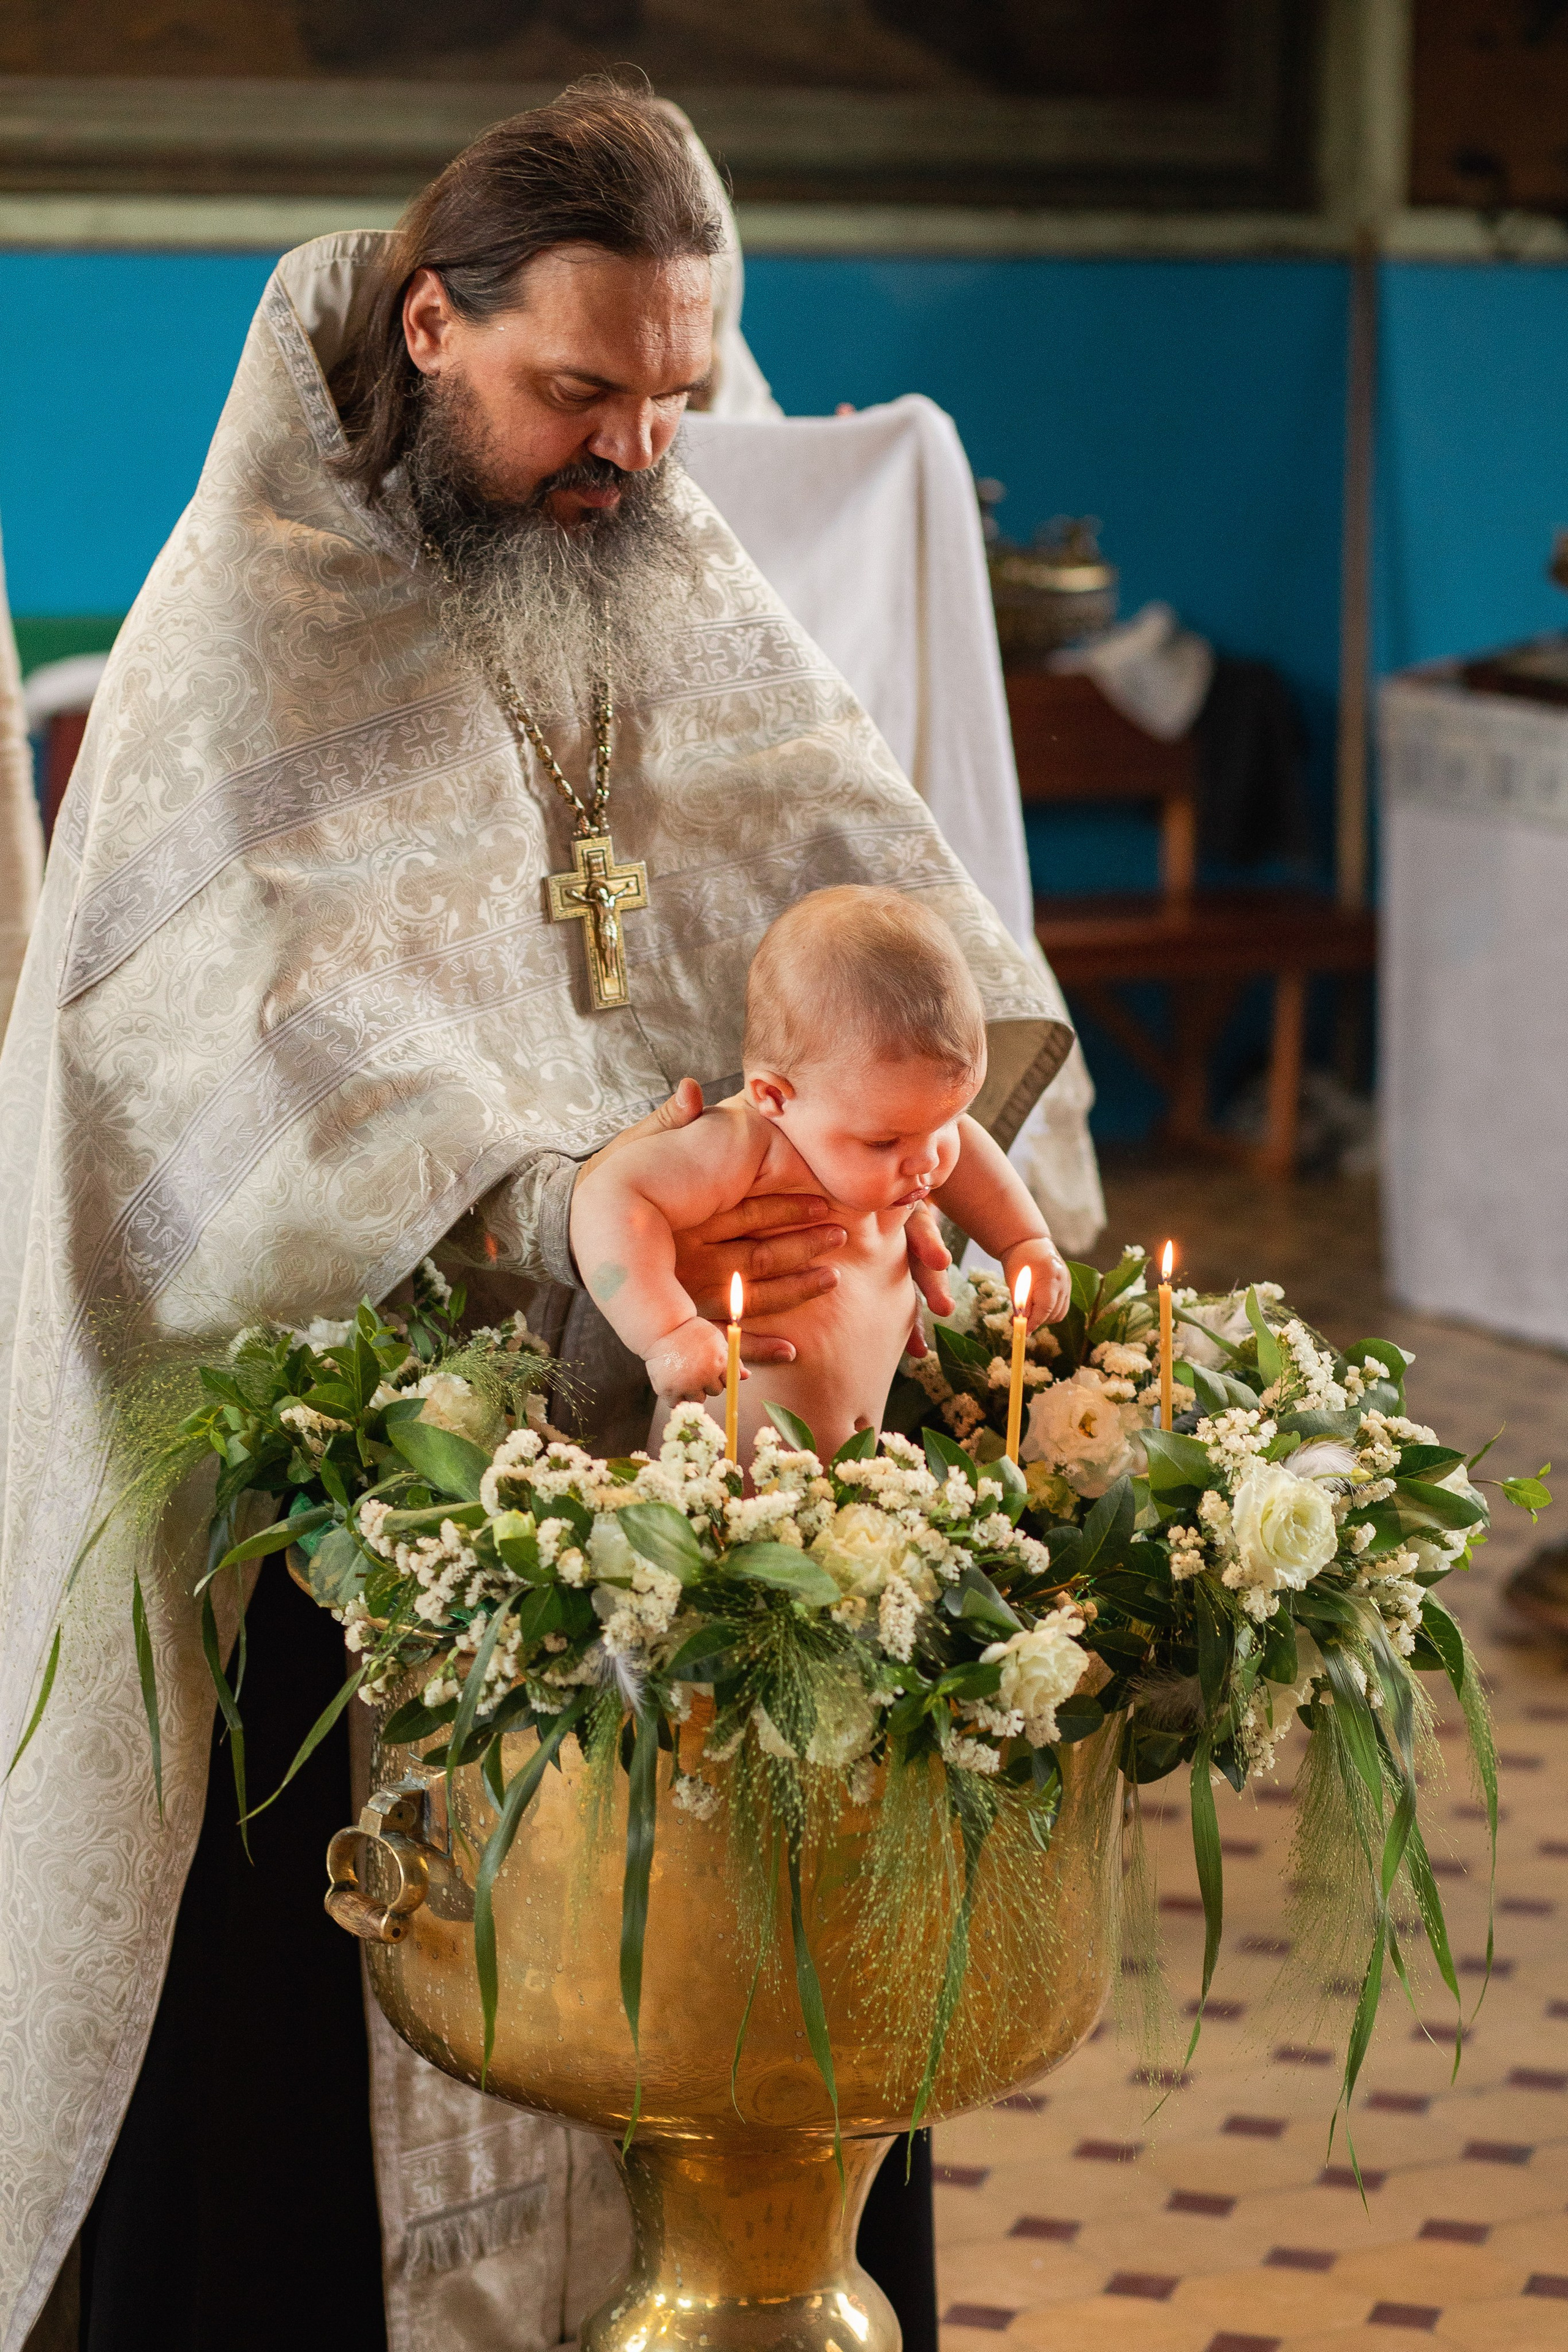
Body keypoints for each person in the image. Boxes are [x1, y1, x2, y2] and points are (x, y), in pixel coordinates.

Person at [0, 80, 1075, 2352]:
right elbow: (205, 1058)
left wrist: (853, 1168)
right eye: (575, 389)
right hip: (358, 1499)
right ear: (430, 324)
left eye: (676, 395)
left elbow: (857, 913)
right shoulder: (244, 614)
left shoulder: (661, 562)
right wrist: (550, 1190)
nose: (634, 451)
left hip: (714, 1481)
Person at [575, 887, 1071, 1460]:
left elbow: (970, 1152)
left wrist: (1023, 1241)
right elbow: (611, 1195)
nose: (929, 1160)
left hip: (861, 1470)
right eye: (884, 1141)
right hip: (731, 1476)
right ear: (774, 1096)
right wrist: (668, 1332)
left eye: (947, 1121)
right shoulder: (746, 1146)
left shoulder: (906, 1128)